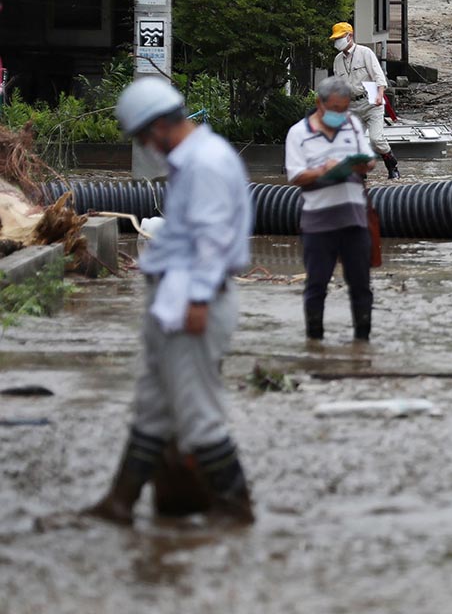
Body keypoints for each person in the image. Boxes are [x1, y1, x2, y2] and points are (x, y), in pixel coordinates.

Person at [83, 76, 255, 526]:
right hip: (175, 296)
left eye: (143, 136)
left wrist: (198, 300)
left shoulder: (205, 163)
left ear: (158, 126)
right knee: (153, 406)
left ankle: (235, 506)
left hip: (194, 299)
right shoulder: (192, 160)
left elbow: (214, 240)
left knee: (197, 411)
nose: (145, 145)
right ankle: (119, 503)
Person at [285, 75, 376, 342]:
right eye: (335, 109)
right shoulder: (298, 133)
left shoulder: (353, 125)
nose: (340, 114)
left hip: (355, 221)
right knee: (316, 286)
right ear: (319, 103)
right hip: (318, 224)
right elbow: (295, 176)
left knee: (361, 286)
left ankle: (362, 343)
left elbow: (369, 162)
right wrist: (322, 170)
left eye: (344, 108)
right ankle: (315, 343)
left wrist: (361, 165)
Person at [329, 22, 400, 180]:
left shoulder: (365, 53)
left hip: (371, 103)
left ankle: (392, 164)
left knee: (376, 139)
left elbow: (378, 76)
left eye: (340, 38)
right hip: (352, 106)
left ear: (350, 36)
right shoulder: (337, 60)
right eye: (336, 38)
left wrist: (380, 94)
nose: (337, 41)